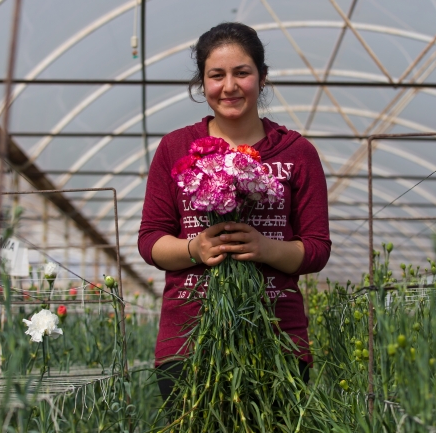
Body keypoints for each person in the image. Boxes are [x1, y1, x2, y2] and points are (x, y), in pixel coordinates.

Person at [137, 22, 331, 405]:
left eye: (242, 72)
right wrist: (196, 248)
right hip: (189, 341)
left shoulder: (296, 153)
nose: (229, 86)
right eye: (216, 75)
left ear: (262, 78)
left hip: (278, 339)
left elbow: (316, 249)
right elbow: (150, 241)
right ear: (202, 83)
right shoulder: (176, 148)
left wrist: (264, 248)